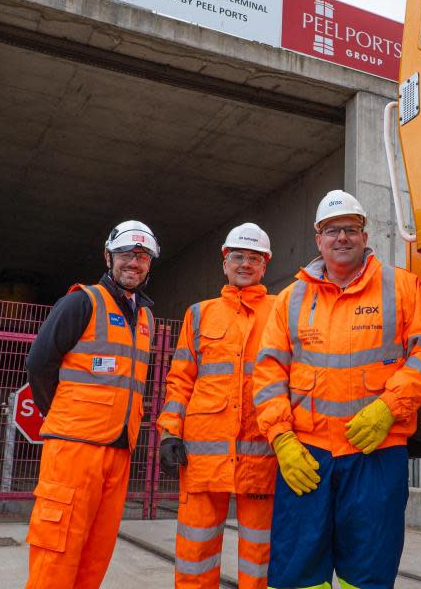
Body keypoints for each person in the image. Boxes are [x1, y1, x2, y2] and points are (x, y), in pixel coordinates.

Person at [253, 191, 421, 589]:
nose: (342, 238)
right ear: (318, 238)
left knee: (370, 572)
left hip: (376, 451)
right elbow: (269, 373)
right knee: (298, 574)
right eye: (332, 231)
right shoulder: (290, 299)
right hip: (306, 455)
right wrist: (282, 440)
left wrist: (389, 408)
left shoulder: (401, 287)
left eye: (350, 230)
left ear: (364, 235)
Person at [23, 220, 160, 589]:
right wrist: (63, 415)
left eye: (143, 256)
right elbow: (39, 364)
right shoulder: (81, 301)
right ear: (108, 256)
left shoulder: (145, 317)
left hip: (118, 454)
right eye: (127, 254)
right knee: (57, 553)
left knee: (95, 555)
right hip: (74, 452)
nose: (135, 262)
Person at [157, 223, 278, 589]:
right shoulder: (199, 314)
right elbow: (180, 380)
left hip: (261, 454)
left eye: (253, 258)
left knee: (260, 553)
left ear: (265, 265)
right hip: (203, 455)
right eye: (238, 257)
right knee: (196, 550)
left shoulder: (281, 311)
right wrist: (168, 432)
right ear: (225, 262)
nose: (245, 264)